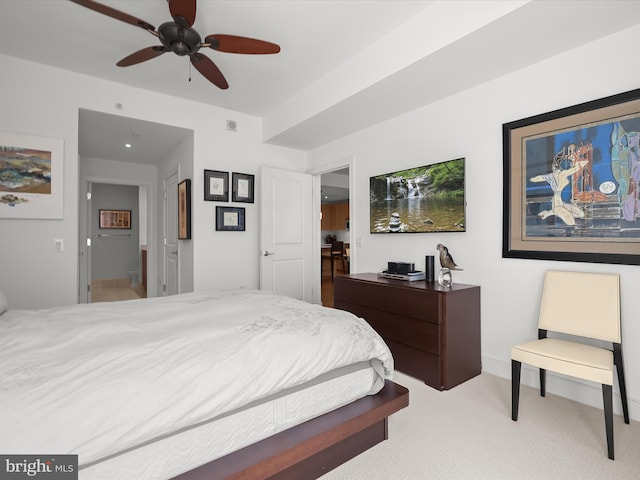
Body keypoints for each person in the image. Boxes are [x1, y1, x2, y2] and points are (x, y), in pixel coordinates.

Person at [530, 147, 588, 226]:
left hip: (560, 202)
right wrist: (575, 162)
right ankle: (552, 212)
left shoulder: (551, 176)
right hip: (557, 205)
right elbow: (581, 165)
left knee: (581, 214)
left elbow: (535, 179)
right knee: (571, 223)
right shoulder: (562, 174)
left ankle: (549, 212)